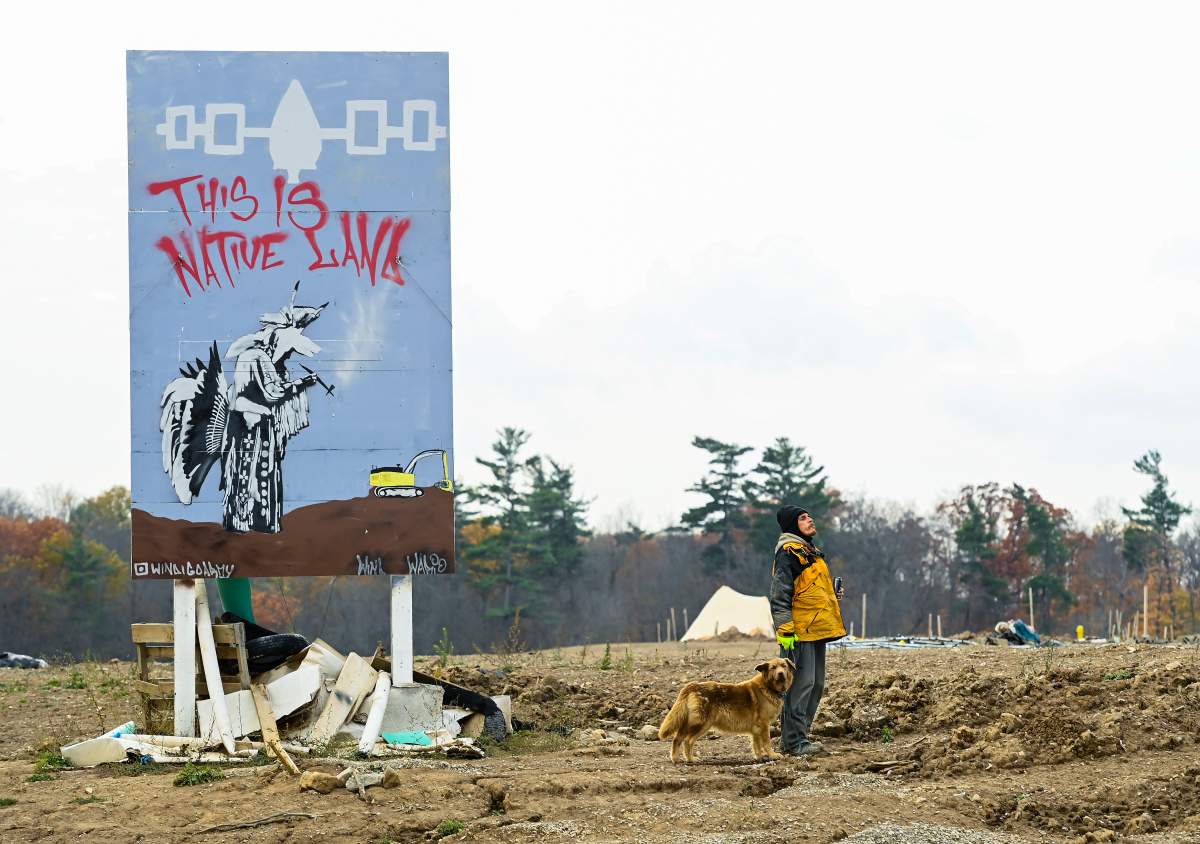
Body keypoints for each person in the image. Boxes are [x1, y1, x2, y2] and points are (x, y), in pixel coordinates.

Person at [768, 504, 846, 756]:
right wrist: (786, 630)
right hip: (798, 631)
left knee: (816, 684)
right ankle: (793, 742)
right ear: (792, 524)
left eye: (810, 516)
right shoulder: (788, 553)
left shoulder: (810, 551)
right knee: (801, 685)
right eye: (803, 518)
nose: (810, 520)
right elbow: (780, 595)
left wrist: (832, 594)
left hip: (817, 628)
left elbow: (808, 589)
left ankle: (800, 737)